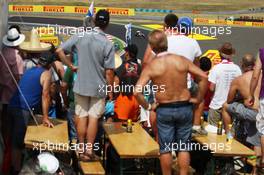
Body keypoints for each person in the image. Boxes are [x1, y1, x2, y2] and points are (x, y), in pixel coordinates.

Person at [134, 30, 208, 175]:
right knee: (183, 147)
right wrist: (198, 98)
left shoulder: (152, 65)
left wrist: (148, 106)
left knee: (166, 148)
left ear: (152, 47)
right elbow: (203, 77)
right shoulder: (181, 60)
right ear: (166, 43)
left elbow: (137, 92)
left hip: (165, 108)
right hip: (184, 106)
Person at [56, 9, 115, 161]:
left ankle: (81, 149)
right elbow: (109, 72)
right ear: (107, 24)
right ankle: (89, 151)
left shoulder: (81, 36)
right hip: (98, 85)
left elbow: (59, 50)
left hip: (81, 84)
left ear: (94, 22)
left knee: (81, 116)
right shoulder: (107, 43)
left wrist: (71, 65)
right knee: (94, 118)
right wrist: (110, 90)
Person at [8, 50, 54, 174]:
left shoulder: (29, 71)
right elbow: (45, 95)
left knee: (14, 142)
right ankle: (17, 171)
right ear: (50, 64)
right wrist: (45, 117)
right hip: (22, 110)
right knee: (18, 144)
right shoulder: (46, 74)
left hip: (12, 106)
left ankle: (15, 168)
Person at [222, 54, 261, 157]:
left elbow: (229, 100)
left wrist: (241, 97)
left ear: (242, 65)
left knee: (225, 106)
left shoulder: (238, 80)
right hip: (261, 111)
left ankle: (228, 135)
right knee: (257, 141)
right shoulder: (261, 75)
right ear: (254, 65)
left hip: (251, 112)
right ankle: (256, 169)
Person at [208, 42, 242, 126]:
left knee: (212, 133)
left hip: (216, 104)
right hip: (230, 106)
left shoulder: (216, 68)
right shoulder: (237, 69)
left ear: (220, 55)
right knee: (229, 132)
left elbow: (211, 88)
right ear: (231, 55)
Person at [114, 44, 142, 121]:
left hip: (124, 99)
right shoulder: (140, 67)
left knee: (119, 127)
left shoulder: (124, 66)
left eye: (126, 51)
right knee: (133, 127)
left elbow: (115, 83)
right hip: (136, 100)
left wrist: (112, 95)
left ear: (128, 53)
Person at [249, 48, 264, 173]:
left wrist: (251, 94)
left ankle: (263, 161)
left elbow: (255, 76)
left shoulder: (262, 52)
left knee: (263, 131)